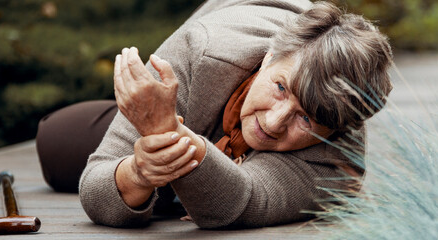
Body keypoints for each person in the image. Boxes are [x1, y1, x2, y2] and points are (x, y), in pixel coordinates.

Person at [36, 0, 393, 229]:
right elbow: (95, 190)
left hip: (204, 132)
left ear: (334, 130)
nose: (272, 123)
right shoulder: (203, 48)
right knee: (57, 139)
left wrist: (164, 131)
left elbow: (238, 202)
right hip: (210, 73)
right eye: (281, 88)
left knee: (186, 186)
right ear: (269, 58)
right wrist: (138, 171)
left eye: (306, 120)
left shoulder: (334, 164)